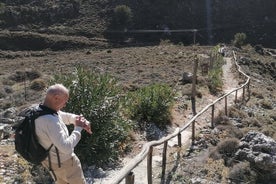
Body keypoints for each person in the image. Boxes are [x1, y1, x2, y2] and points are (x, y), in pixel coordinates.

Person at [35, 84, 92, 184]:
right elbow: (65, 147)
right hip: (65, 163)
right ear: (56, 98)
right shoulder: (50, 121)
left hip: (50, 163)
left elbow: (63, 116)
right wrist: (78, 129)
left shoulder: (40, 111)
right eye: (65, 101)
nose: (65, 104)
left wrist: (78, 120)